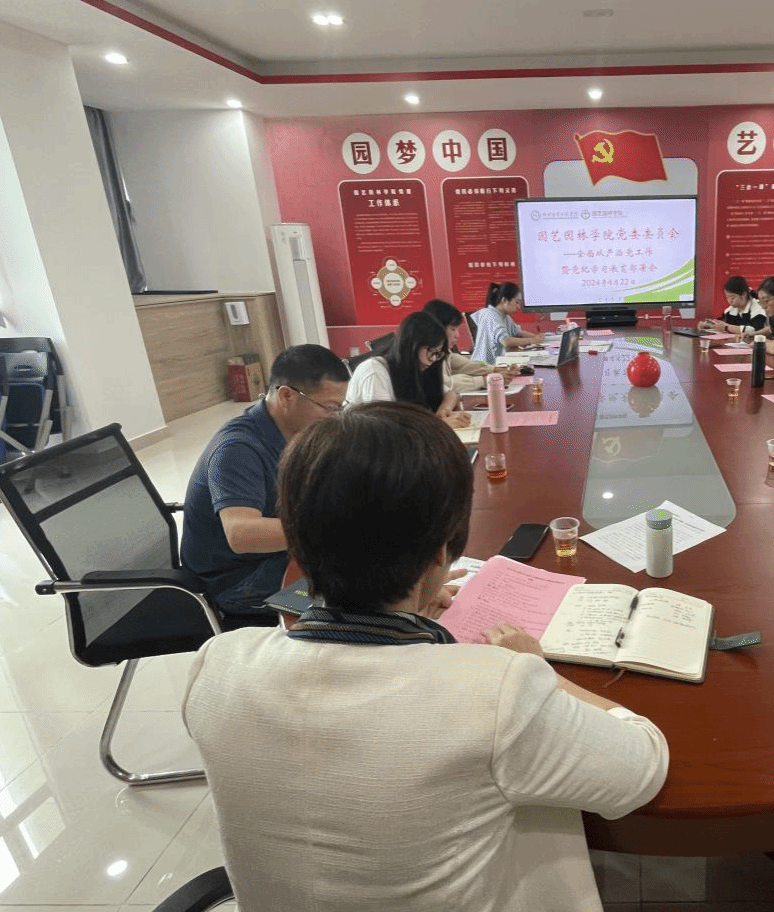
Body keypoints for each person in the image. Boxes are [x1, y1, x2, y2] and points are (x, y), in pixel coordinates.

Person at [184, 403, 669, 912]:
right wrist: (537, 668)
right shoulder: (498, 693)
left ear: (297, 545)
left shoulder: (215, 664)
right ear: (441, 552)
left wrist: (408, 611)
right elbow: (644, 765)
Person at [181, 344, 349, 619]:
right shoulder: (238, 448)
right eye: (329, 408)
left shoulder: (293, 432)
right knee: (361, 589)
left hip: (276, 556)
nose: (335, 418)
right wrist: (328, 531)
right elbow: (241, 534)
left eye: (340, 408)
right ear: (287, 396)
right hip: (237, 581)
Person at [346, 311, 471, 429]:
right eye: (430, 350)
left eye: (437, 353)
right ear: (411, 346)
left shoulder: (416, 367)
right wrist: (439, 424)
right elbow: (384, 426)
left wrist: (444, 411)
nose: (433, 358)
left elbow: (450, 394)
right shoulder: (375, 371)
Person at [421, 298, 519, 394]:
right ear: (438, 328)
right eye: (453, 329)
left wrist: (495, 370)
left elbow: (460, 364)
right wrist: (486, 380)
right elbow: (444, 384)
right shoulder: (425, 354)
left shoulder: (441, 352)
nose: (457, 335)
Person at [470, 281, 544, 363]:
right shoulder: (490, 314)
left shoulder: (505, 316)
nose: (518, 307)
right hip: (485, 366)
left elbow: (519, 333)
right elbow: (506, 341)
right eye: (516, 302)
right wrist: (532, 340)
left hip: (498, 362)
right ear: (504, 300)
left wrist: (537, 337)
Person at [698, 275, 767, 335]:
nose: (729, 301)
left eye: (732, 297)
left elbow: (753, 330)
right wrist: (709, 325)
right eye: (727, 297)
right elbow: (723, 323)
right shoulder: (731, 310)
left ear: (743, 294)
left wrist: (726, 327)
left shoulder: (758, 307)